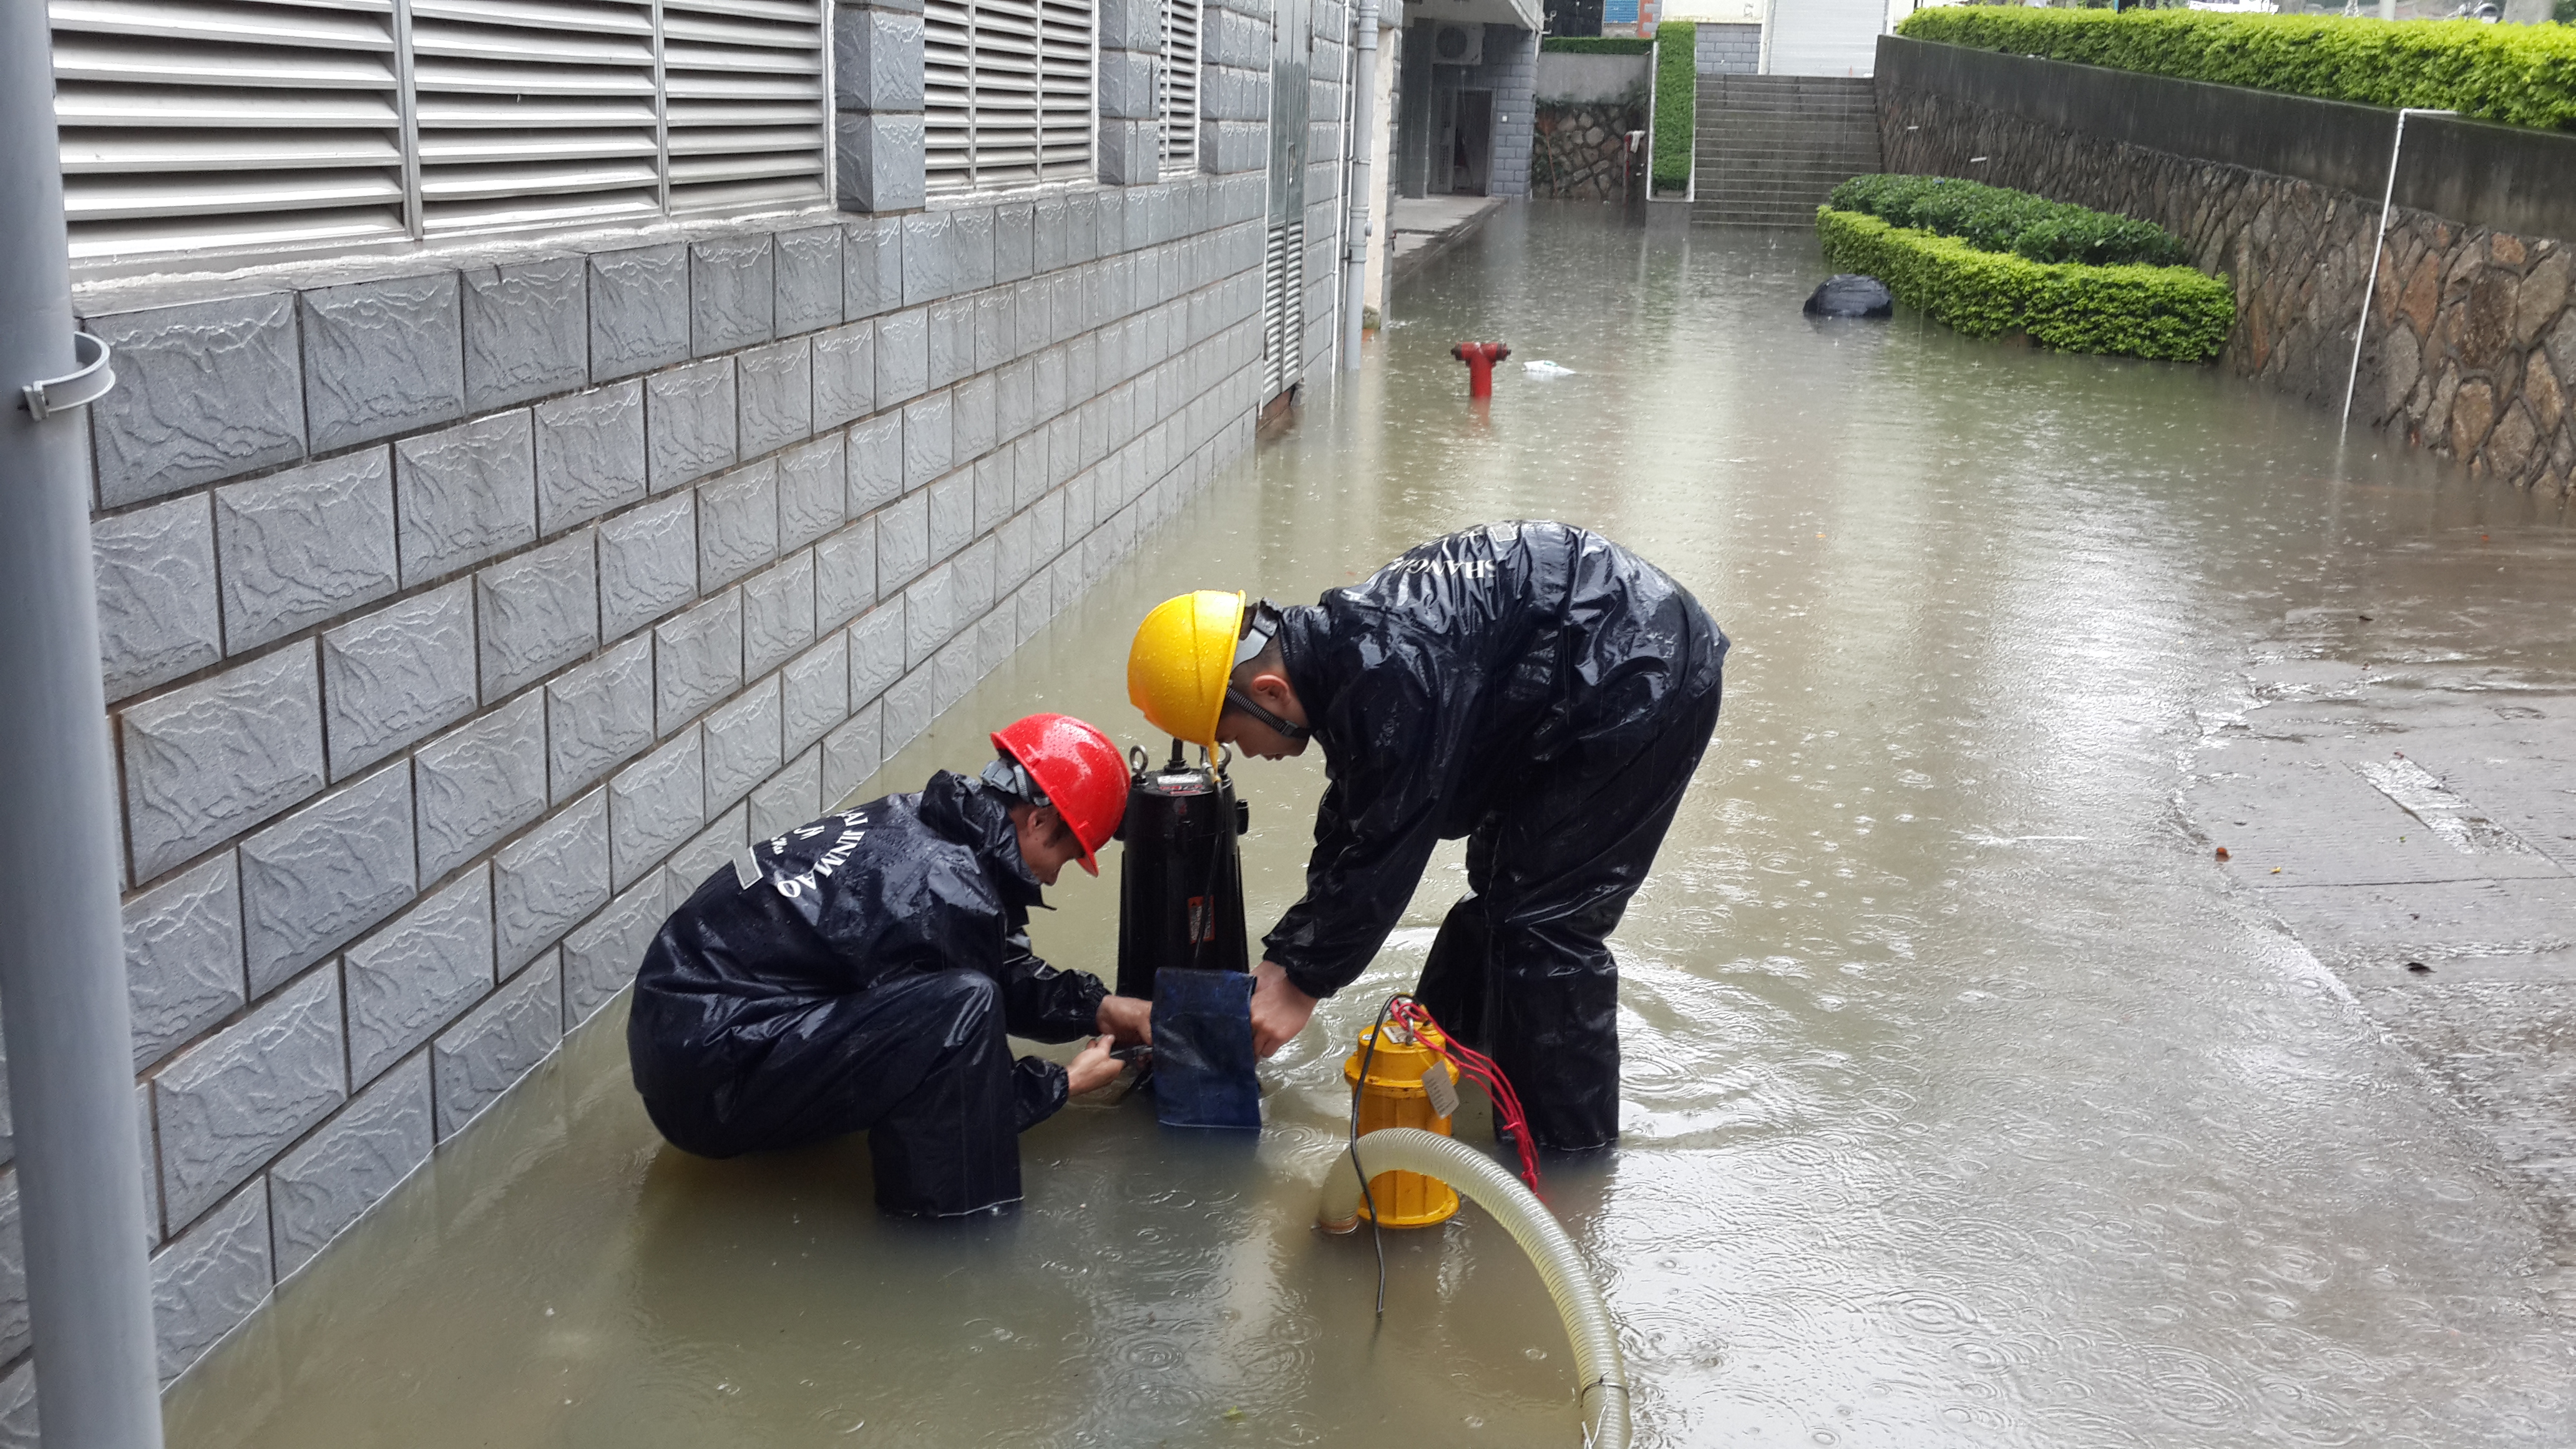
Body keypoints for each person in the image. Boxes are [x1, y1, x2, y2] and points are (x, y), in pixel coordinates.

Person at [1126, 521, 1726, 1153]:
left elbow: (1391, 841)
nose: (1246, 754)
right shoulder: (1350, 657)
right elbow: (1357, 821)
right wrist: (1286, 960)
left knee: (1546, 927)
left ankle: (1566, 1161)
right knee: (1504, 895)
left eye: (1232, 737)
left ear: (1268, 691)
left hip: (1637, 675)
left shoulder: (1393, 668)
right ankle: (1453, 1060)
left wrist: (1299, 981)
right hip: (1574, 673)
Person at [627, 713, 1153, 1217]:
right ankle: (942, 1251)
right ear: (1039, 820)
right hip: (713, 1083)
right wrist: (1064, 1083)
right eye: (1067, 858)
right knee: (965, 1005)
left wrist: (1099, 1008)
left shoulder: (921, 822)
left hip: (688, 1040)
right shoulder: (948, 887)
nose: (1055, 878)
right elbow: (958, 1055)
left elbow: (980, 959)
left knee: (963, 998)